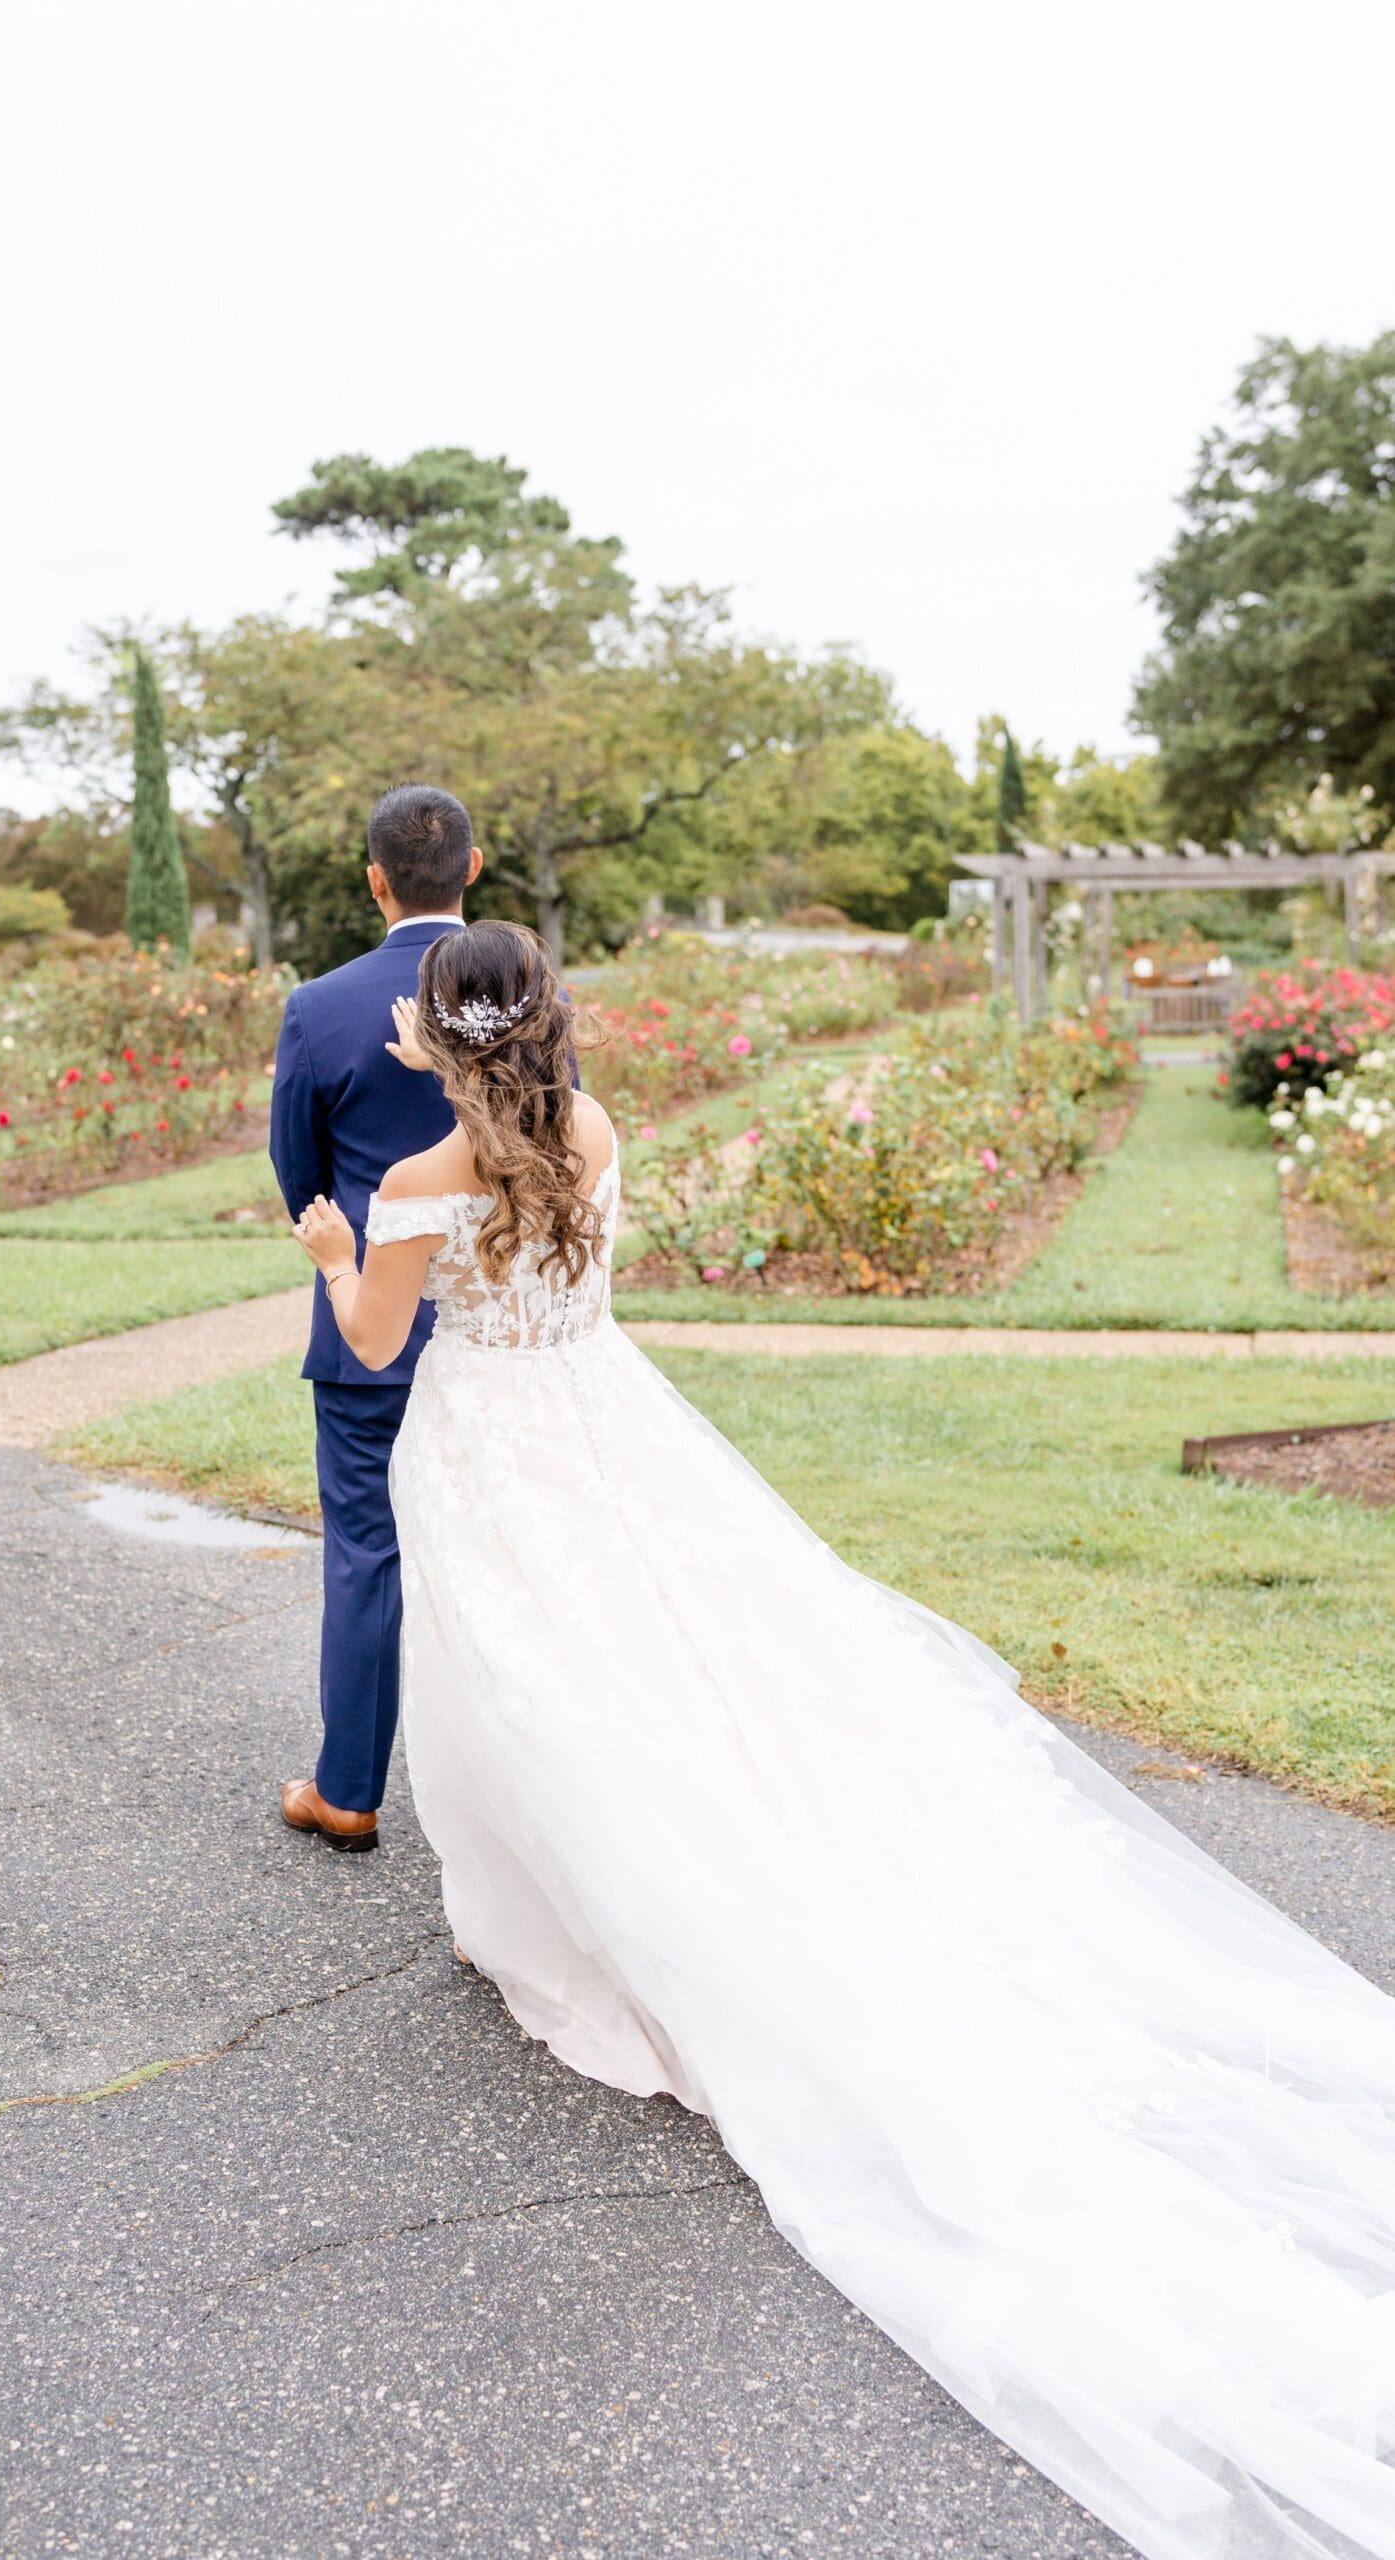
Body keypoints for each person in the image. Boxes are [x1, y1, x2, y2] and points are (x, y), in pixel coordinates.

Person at [290, 915, 1395, 2560]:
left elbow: (378, 1344)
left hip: (491, 1453)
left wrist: (327, 1245)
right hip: (604, 1424)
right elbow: (569, 1271)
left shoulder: (412, 1190)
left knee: (534, 1689)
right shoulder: (595, 1133)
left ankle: (583, 1928)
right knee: (656, 1670)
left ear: (430, 1044)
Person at [266, 783, 480, 1850]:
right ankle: (516, 1820)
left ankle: (347, 1789)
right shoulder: (526, 996)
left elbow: (300, 1179)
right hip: (500, 1344)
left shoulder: (321, 1006)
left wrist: (345, 1246)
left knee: (366, 1552)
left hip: (368, 1339)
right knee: (503, 1558)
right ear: (474, 872)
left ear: (375, 881)